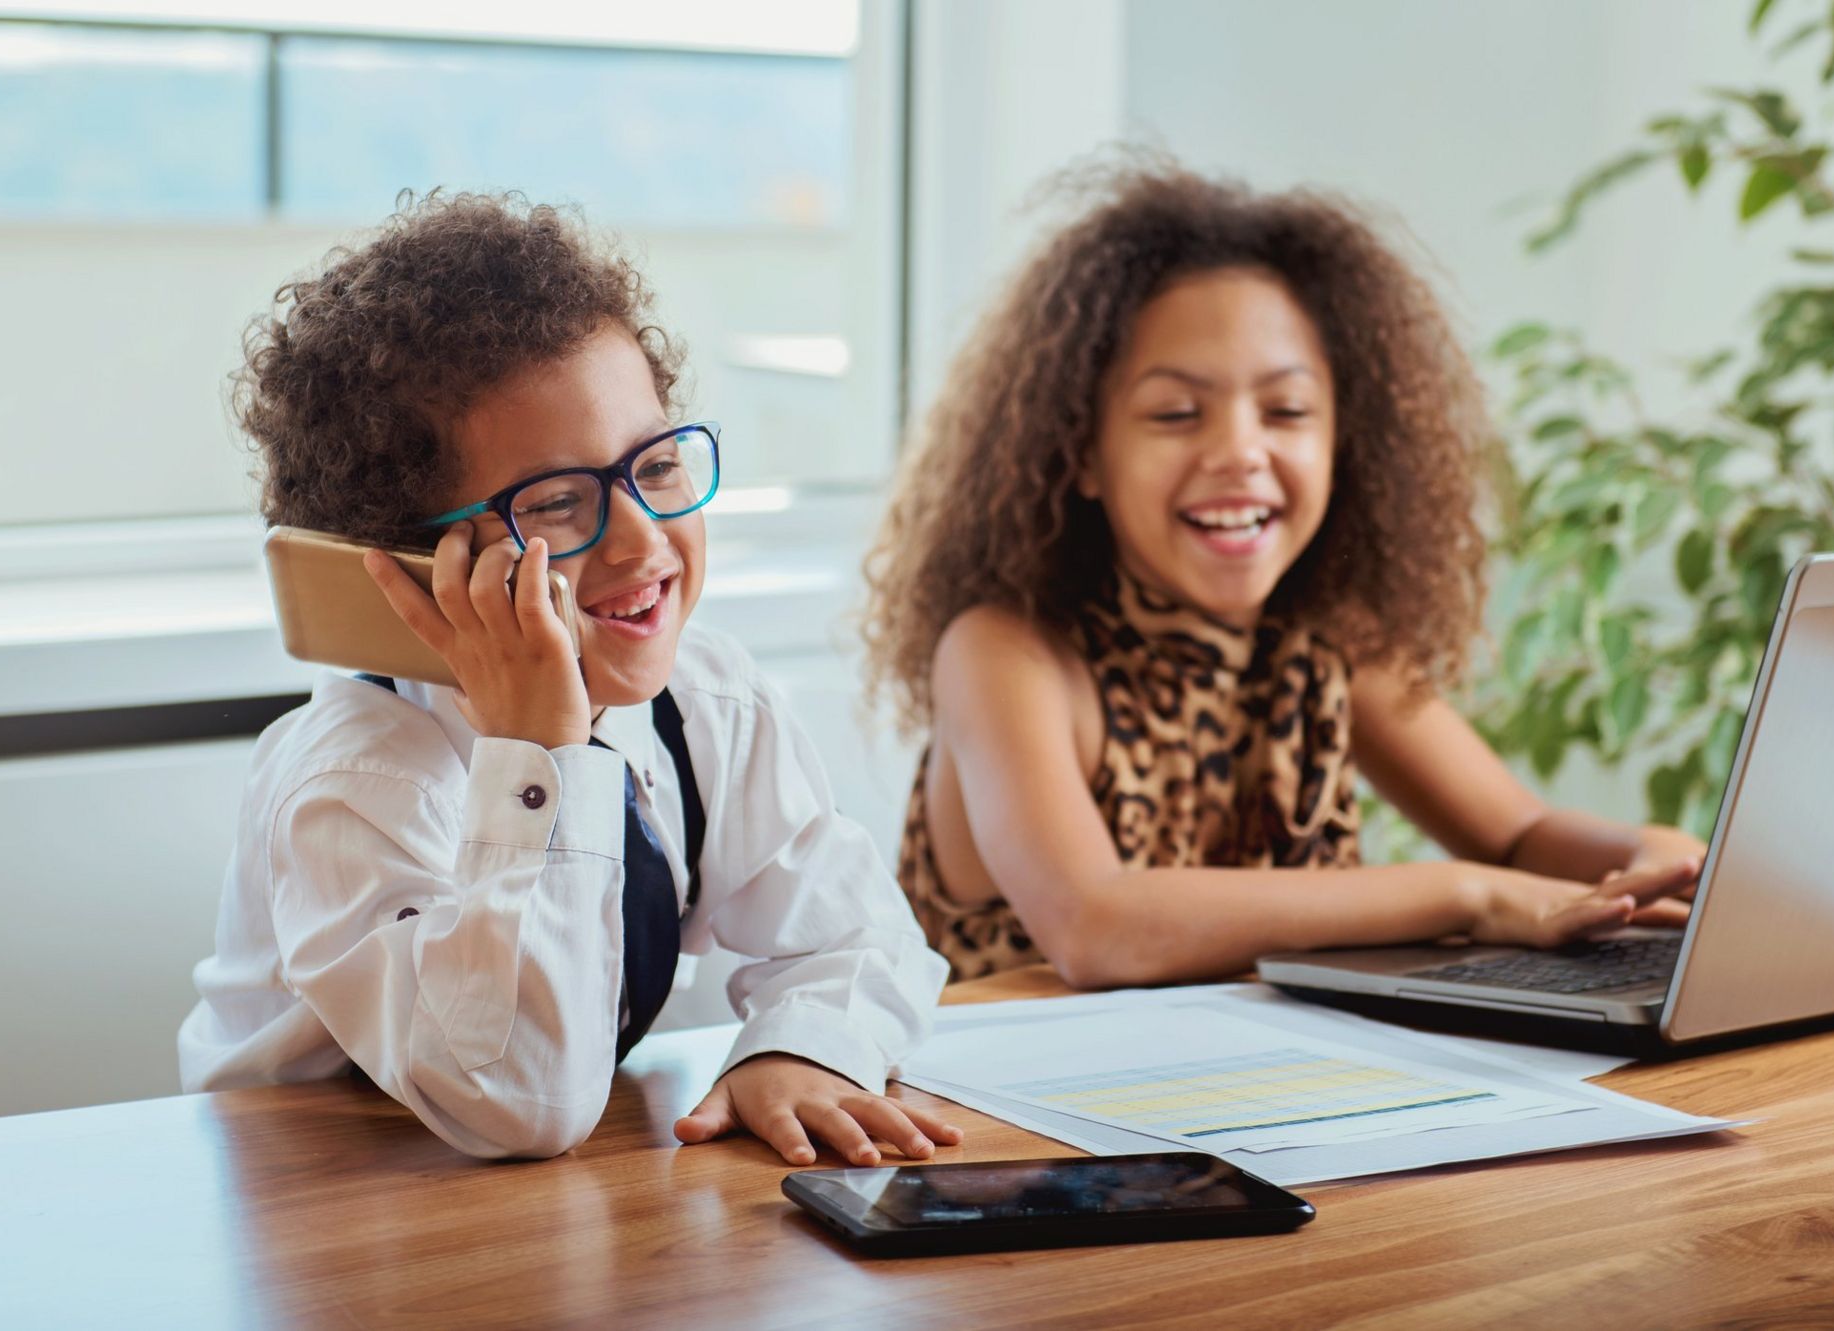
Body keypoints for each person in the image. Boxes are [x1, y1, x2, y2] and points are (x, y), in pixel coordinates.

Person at [180, 191, 961, 1165]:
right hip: (333, 1200)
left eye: (658, 465)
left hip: (553, 1208)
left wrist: (801, 1047)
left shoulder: (704, 699)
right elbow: (517, 1101)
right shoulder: (356, 776)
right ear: (407, 566)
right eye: (555, 502)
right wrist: (538, 751)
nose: (640, 539)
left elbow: (861, 936)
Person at [862, 162, 1705, 988]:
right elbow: (1096, 926)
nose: (1239, 451)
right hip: (1008, 1119)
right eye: (1176, 413)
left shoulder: (1329, 640)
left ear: (1346, 442)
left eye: (1287, 411)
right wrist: (1466, 893)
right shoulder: (1006, 654)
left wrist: (1643, 857)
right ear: (1080, 451)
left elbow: (1518, 836)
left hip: (1264, 1106)